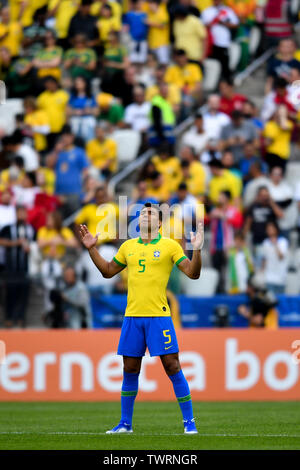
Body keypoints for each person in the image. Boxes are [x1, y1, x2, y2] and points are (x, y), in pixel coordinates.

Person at [78, 202, 204, 434]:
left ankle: (189, 423)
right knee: (130, 367)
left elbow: (193, 273)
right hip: (132, 317)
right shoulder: (128, 247)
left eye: (150, 213)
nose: (145, 216)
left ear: (158, 222)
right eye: (143, 213)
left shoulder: (170, 246)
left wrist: (196, 250)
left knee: (172, 365)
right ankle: (125, 424)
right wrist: (91, 249)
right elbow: (107, 271)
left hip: (159, 316)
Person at [0, 205, 35, 328]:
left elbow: (35, 244)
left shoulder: (30, 229)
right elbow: (1, 241)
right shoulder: (8, 228)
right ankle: (9, 318)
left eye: (23, 213)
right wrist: (15, 243)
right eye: (19, 213)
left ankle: (21, 318)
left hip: (25, 267)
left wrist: (30, 248)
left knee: (24, 293)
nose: (21, 215)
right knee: (10, 292)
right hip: (11, 267)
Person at [261, 221, 289, 296]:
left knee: (280, 301)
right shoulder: (265, 243)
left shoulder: (283, 241)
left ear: (276, 229)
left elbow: (281, 257)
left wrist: (275, 244)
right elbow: (264, 258)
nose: (269, 230)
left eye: (271, 228)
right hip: (269, 277)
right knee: (270, 301)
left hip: (280, 277)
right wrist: (262, 271)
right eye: (268, 229)